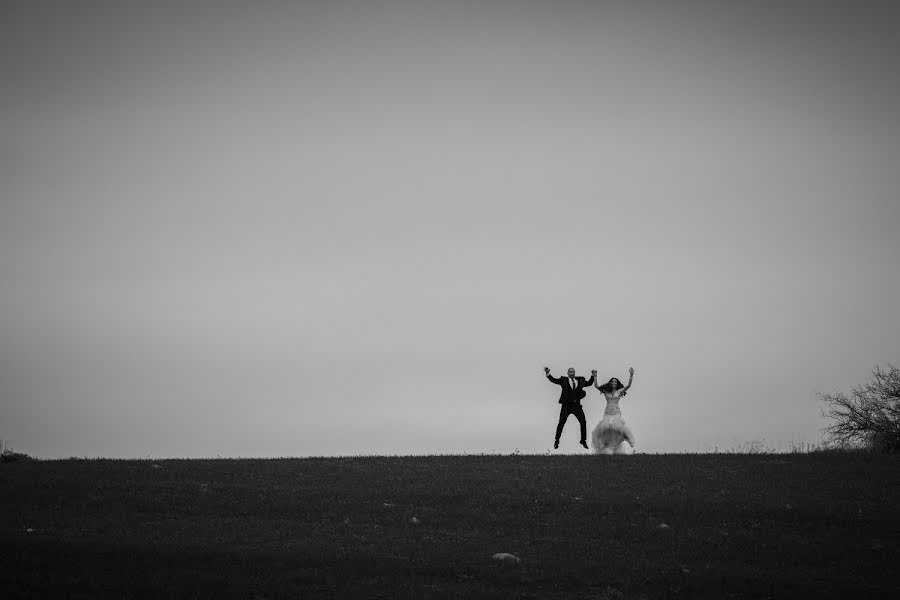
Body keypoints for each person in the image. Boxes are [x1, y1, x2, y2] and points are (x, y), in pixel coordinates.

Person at [544, 367, 596, 449]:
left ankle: (583, 441)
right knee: (561, 423)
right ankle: (557, 440)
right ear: (567, 373)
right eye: (570, 372)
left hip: (577, 406)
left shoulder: (580, 380)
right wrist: (548, 373)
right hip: (566, 405)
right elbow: (554, 380)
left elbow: (589, 383)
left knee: (583, 421)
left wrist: (593, 376)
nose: (572, 373)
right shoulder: (563, 380)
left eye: (573, 372)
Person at [591, 367, 636, 454]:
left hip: (616, 412)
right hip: (607, 412)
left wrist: (631, 375)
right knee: (605, 427)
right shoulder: (606, 391)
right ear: (610, 383)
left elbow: (628, 386)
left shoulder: (619, 391)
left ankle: (628, 437)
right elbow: (596, 386)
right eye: (612, 381)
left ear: (617, 383)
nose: (614, 383)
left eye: (615, 381)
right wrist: (595, 376)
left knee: (616, 426)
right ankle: (605, 445)